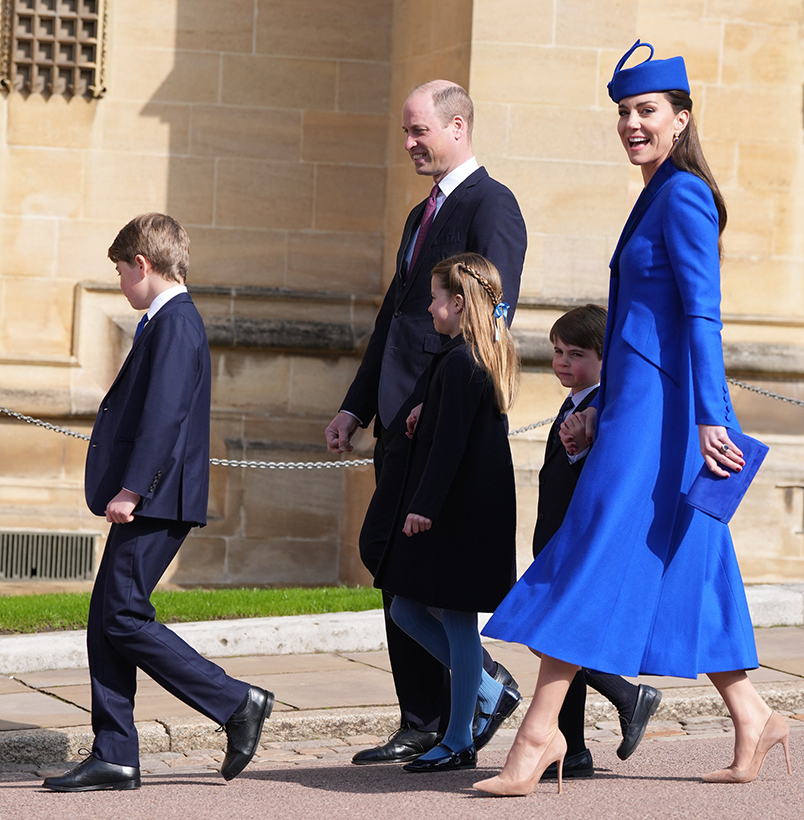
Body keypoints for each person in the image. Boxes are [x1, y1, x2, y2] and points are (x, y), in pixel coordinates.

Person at [473, 41, 792, 797]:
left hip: (671, 419)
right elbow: (636, 328)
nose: (632, 124)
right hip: (640, 410)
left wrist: (714, 418)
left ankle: (541, 732)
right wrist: (599, 408)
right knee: (693, 560)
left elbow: (700, 316)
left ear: (681, 119)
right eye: (623, 112)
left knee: (589, 547)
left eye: (646, 111)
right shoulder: (653, 194)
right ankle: (753, 715)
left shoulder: (681, 195)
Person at [325, 80, 527, 764]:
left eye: (420, 132)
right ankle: (432, 711)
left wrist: (429, 400)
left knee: (400, 563)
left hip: (440, 419)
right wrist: (359, 404)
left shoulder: (491, 204)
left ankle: (449, 709)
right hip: (401, 418)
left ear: (458, 126)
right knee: (390, 563)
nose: (410, 144)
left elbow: (495, 310)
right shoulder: (421, 214)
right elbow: (394, 316)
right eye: (406, 133)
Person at [43, 214, 273, 792]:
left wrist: (131, 489)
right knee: (106, 620)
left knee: (121, 613)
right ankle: (116, 752)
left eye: (121, 271)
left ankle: (236, 701)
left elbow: (164, 416)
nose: (121, 283)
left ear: (142, 265)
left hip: (157, 498)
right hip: (155, 495)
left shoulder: (174, 322)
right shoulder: (167, 321)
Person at [374, 253, 520, 773]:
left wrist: (423, 508)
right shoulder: (465, 355)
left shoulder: (464, 361)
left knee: (456, 619)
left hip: (461, 511)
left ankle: (459, 738)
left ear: (458, 304)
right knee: (407, 610)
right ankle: (485, 690)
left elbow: (452, 446)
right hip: (465, 508)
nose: (431, 308)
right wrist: (424, 409)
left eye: (436, 298)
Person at [535, 305, 661, 780]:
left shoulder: (603, 407)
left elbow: (610, 473)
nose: (563, 362)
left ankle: (628, 697)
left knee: (552, 635)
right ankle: (574, 749)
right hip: (554, 532)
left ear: (607, 360)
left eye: (577, 353)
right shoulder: (574, 404)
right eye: (557, 352)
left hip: (580, 537)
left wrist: (582, 447)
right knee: (554, 638)